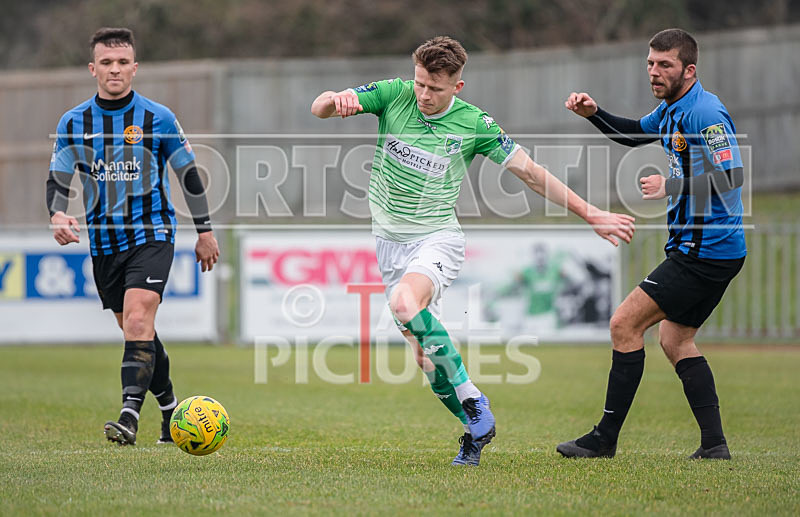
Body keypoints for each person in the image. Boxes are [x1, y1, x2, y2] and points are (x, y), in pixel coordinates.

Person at [311, 36, 635, 466]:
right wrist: (335, 100)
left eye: (436, 89)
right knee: (426, 360)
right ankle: (474, 432)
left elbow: (533, 175)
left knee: (404, 302)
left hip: (436, 237)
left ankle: (474, 401)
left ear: (457, 88)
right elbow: (319, 108)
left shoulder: (475, 124)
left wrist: (590, 212)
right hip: (388, 245)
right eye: (421, 84)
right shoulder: (393, 93)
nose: (424, 95)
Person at [557, 28, 746, 460]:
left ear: (689, 69)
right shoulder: (671, 110)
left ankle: (604, 438)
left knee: (624, 324)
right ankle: (714, 445)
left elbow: (733, 176)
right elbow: (630, 135)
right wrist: (593, 113)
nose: (654, 72)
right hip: (710, 250)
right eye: (650, 63)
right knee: (675, 341)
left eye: (665, 65)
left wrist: (670, 186)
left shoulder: (706, 113)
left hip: (704, 250)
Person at [46, 28, 219, 446]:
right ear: (93, 69)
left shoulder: (157, 117)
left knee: (139, 319)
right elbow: (58, 177)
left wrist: (205, 232)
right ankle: (171, 409)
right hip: (105, 245)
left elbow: (189, 174)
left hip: (152, 233)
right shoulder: (74, 122)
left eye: (123, 62)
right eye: (106, 62)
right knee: (137, 332)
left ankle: (128, 416)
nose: (115, 70)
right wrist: (56, 212)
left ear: (135, 68)